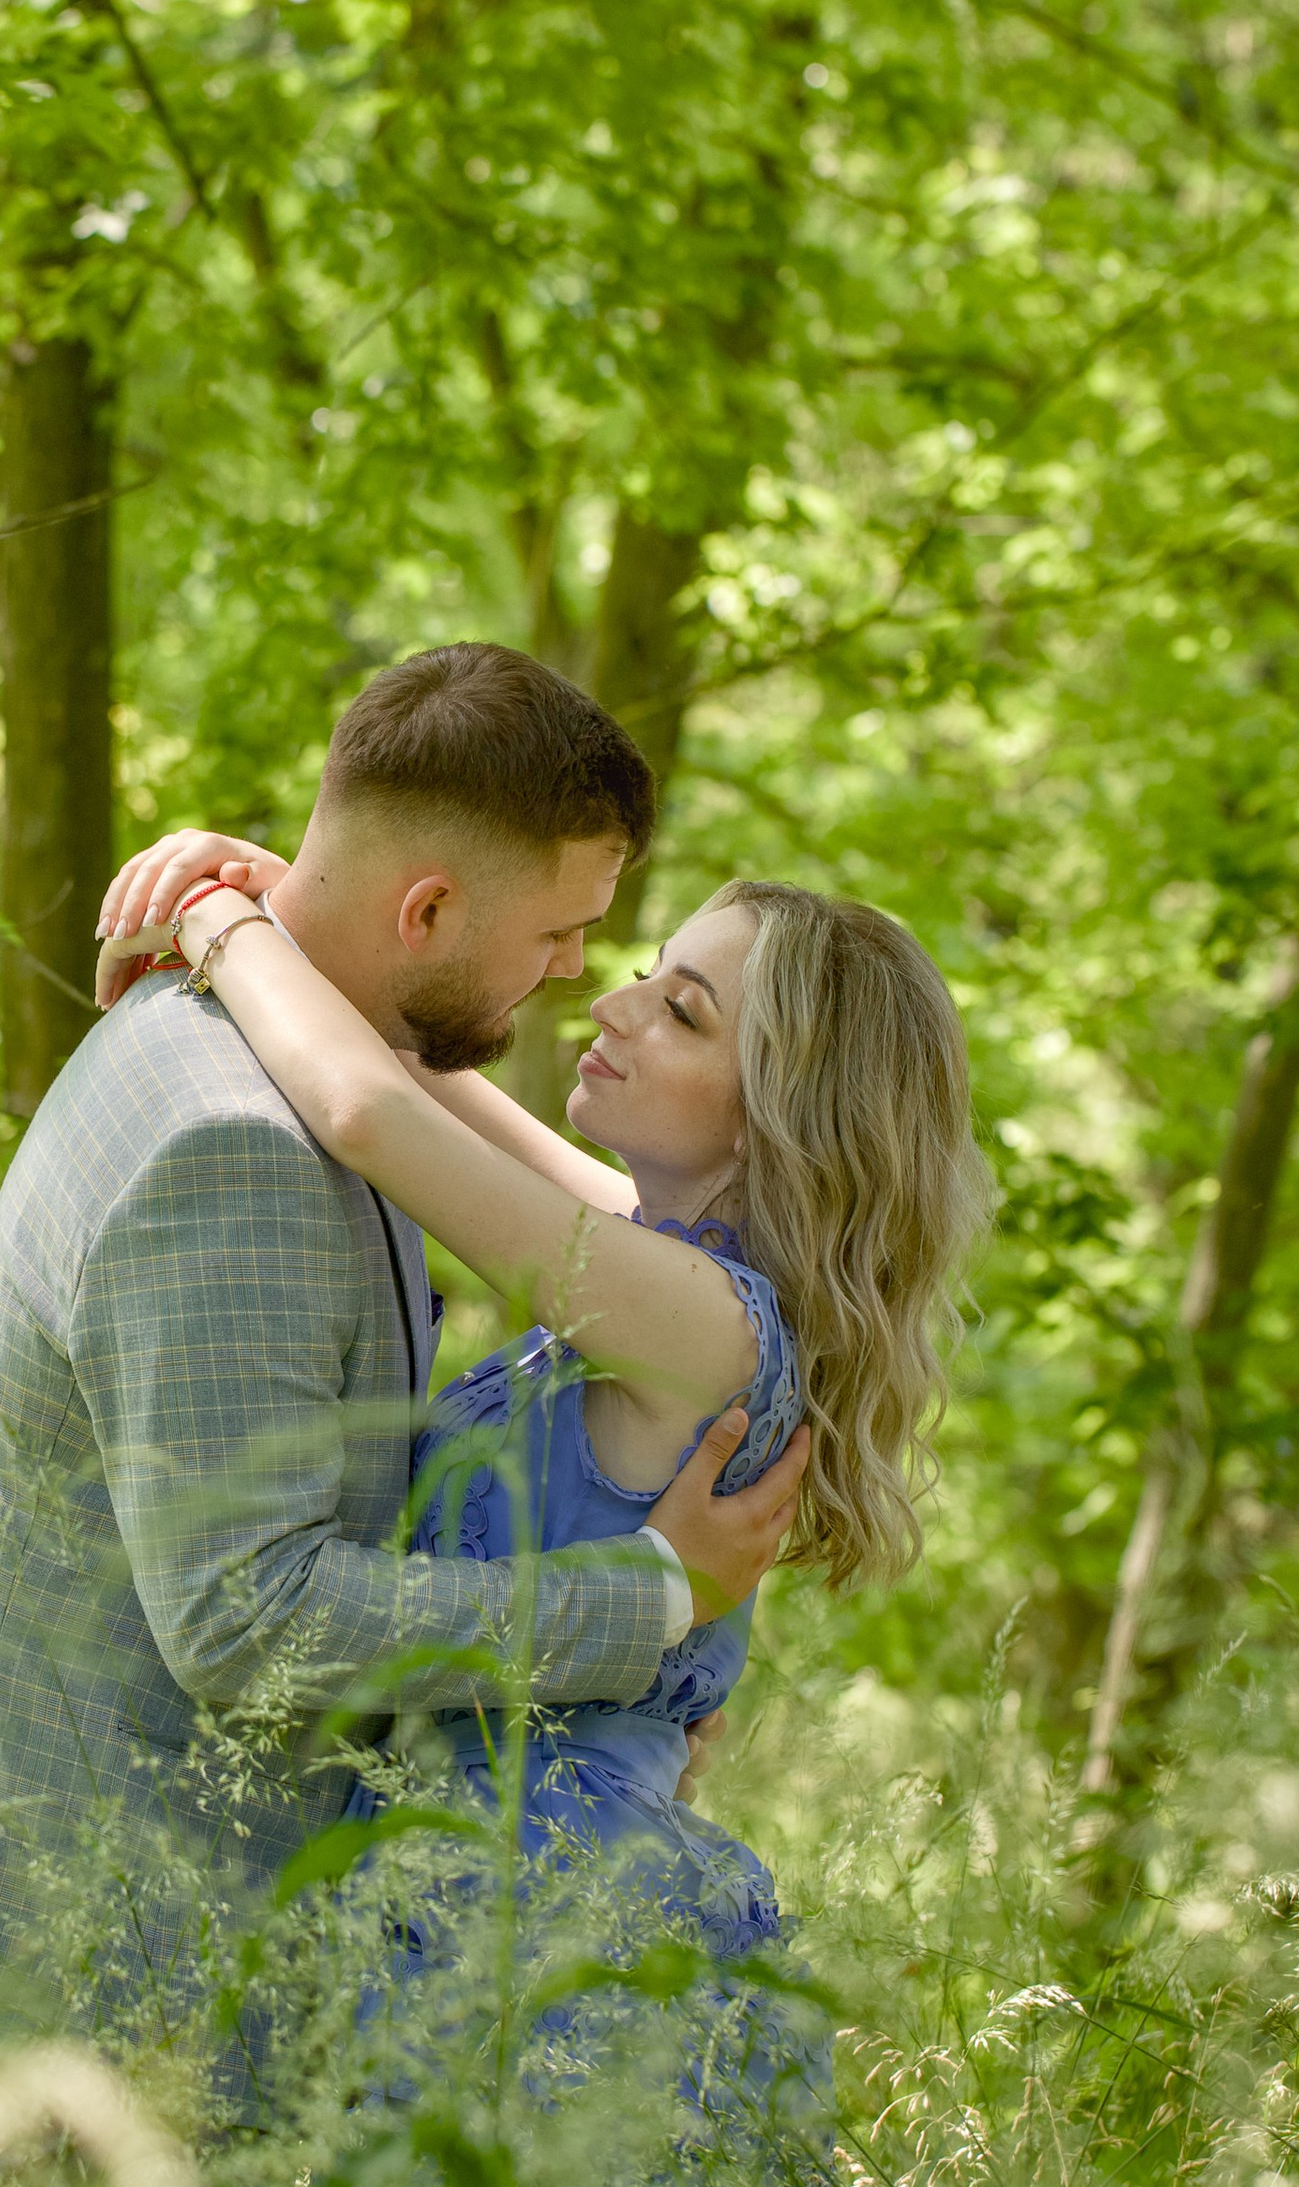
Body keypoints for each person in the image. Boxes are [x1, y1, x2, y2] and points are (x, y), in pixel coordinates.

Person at [0, 645, 808, 2044]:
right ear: (432, 908)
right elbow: (249, 1619)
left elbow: (390, 1097)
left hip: (206, 1935)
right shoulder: (239, 1142)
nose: (581, 976)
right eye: (566, 934)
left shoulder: (258, 1046)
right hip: (65, 1951)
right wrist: (648, 1612)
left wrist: (244, 913)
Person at [91, 829, 991, 2004]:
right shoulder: (662, 1267)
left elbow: (364, 1110)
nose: (613, 1006)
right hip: (470, 1889)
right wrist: (310, 907)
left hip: (539, 1923)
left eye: (682, 1012)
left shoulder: (696, 1321)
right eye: (649, 972)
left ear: (776, 1116)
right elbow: (424, 1086)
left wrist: (219, 920)